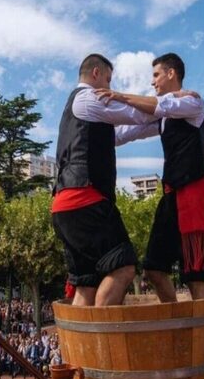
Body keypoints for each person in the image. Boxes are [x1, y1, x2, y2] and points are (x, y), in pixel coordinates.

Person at [96, 53, 204, 302]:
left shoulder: (193, 103)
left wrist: (120, 96)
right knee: (153, 268)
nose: (153, 82)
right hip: (170, 197)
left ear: (171, 74)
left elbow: (163, 105)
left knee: (195, 277)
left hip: (193, 194)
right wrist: (91, 129)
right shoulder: (163, 118)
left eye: (156, 75)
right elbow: (126, 133)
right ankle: (177, 323)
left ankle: (203, 336)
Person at [52, 53, 159, 306]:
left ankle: (77, 345)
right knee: (123, 267)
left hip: (63, 206)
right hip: (85, 200)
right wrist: (171, 104)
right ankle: (102, 342)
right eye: (108, 80)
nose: (110, 88)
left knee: (86, 284)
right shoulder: (89, 98)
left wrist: (161, 125)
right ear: (96, 74)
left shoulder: (78, 112)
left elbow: (125, 133)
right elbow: (138, 115)